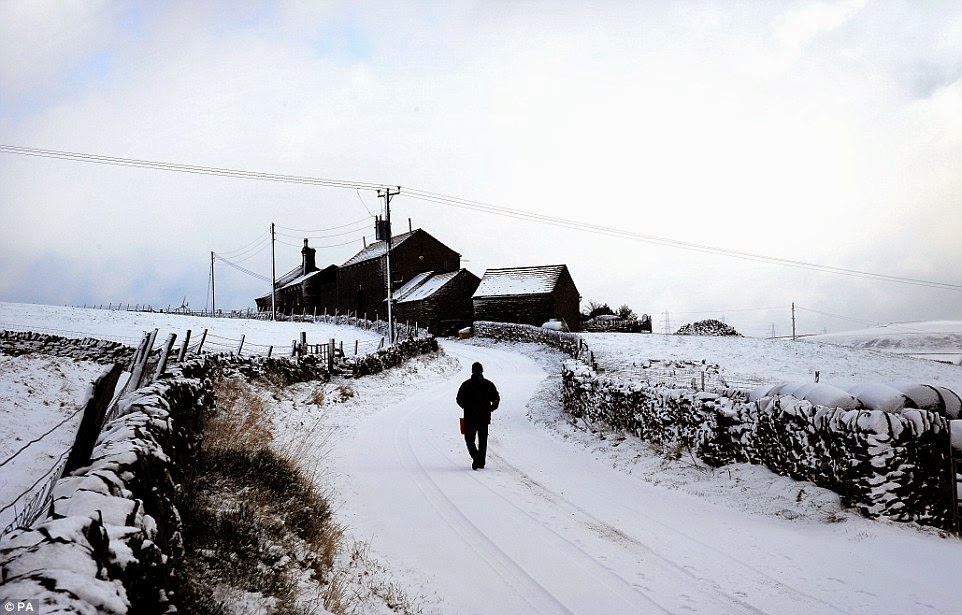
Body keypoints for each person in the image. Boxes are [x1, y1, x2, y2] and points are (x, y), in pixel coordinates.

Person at [456, 361, 500, 470]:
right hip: (485, 417)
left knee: (469, 439)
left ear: (472, 371)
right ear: (482, 371)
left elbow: (459, 399)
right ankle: (481, 462)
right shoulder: (488, 384)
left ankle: (476, 458)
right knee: (483, 440)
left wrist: (466, 407)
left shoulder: (466, 384)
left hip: (470, 417)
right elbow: (496, 398)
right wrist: (491, 409)